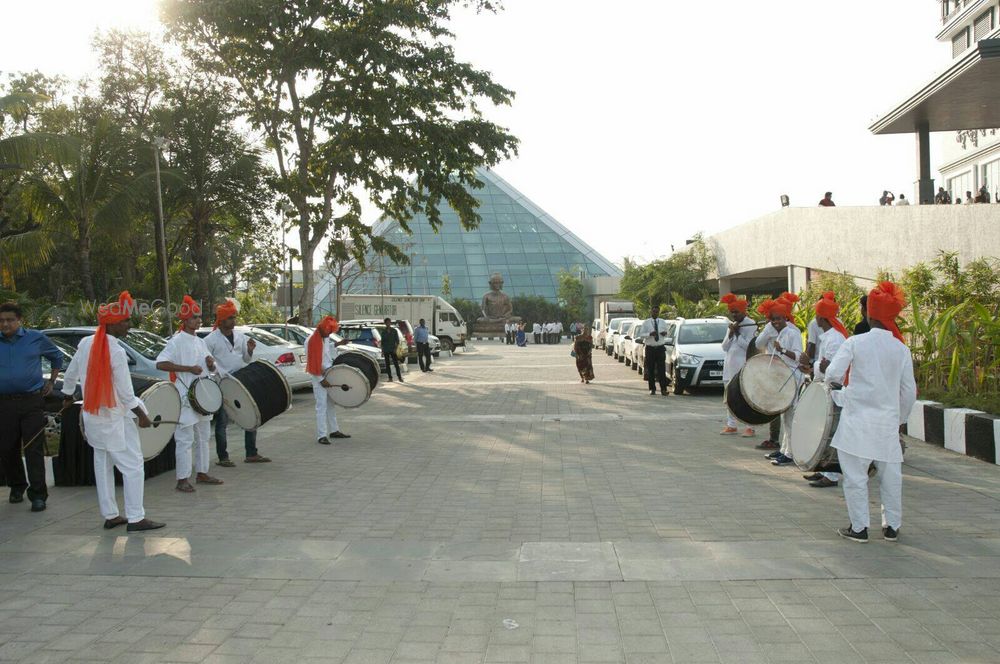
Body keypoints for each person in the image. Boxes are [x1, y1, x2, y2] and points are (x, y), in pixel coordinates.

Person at [60, 292, 164, 531]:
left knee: (103, 464)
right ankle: (136, 518)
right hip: (115, 418)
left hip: (93, 416)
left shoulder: (86, 343)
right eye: (125, 321)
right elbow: (127, 395)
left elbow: (71, 373)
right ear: (112, 324)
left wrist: (67, 396)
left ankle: (111, 515)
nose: (128, 325)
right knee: (133, 466)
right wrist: (143, 416)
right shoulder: (115, 351)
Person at [826, 282, 916, 543]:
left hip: (856, 423)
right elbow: (908, 391)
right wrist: (900, 419)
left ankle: (859, 528)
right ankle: (892, 527)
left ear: (870, 314)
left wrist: (835, 387)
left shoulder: (855, 343)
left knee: (855, 478)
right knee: (891, 477)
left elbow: (832, 373)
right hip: (886, 424)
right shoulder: (901, 349)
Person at [155, 295, 224, 493]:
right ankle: (182, 479)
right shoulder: (176, 341)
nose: (198, 320)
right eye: (194, 317)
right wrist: (186, 368)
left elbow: (210, 366)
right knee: (185, 439)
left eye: (199, 317)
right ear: (184, 320)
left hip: (202, 395)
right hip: (185, 396)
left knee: (203, 436)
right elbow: (160, 363)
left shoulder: (199, 342)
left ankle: (202, 472)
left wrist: (211, 364)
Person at [0, 301, 64, 512]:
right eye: (1, 321)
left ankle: (38, 495)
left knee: (33, 447)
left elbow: (57, 357)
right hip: (4, 403)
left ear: (20, 320)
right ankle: (17, 486)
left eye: (10, 320)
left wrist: (52, 381)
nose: (5, 324)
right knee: (8, 447)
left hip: (31, 401)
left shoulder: (35, 338)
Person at [205, 298, 269, 466]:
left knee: (250, 414)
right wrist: (216, 370)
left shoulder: (240, 336)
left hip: (241, 381)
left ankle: (251, 453)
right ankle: (223, 457)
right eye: (231, 318)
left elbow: (246, 360)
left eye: (234, 317)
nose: (234, 321)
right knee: (222, 422)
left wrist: (249, 350)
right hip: (222, 384)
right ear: (221, 320)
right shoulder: (210, 340)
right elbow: (208, 364)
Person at [800, 292, 850, 488]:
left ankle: (831, 475)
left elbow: (833, 369)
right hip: (824, 387)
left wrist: (815, 365)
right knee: (822, 431)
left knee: (832, 433)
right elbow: (823, 365)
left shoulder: (835, 339)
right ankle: (823, 470)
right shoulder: (828, 336)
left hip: (833, 391)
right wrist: (814, 366)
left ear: (821, 318)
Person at [753, 294, 804, 463]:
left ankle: (790, 454)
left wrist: (781, 350)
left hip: (791, 377)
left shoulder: (792, 332)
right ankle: (784, 450)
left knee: (790, 418)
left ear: (785, 317)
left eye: (778, 319)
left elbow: (798, 356)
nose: (775, 322)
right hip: (781, 377)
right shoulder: (781, 332)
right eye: (772, 319)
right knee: (784, 416)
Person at [306, 316, 351, 445]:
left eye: (331, 332)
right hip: (318, 377)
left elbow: (326, 351)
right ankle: (321, 435)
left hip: (329, 374)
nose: (330, 334)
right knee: (321, 406)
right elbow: (312, 363)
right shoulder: (311, 341)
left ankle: (334, 430)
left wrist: (338, 343)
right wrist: (321, 379)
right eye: (328, 332)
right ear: (322, 328)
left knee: (330, 404)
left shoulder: (324, 337)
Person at [719, 294, 755, 437]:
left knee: (746, 398)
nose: (734, 315)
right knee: (730, 399)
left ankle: (750, 427)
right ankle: (731, 425)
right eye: (732, 312)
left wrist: (738, 334)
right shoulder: (732, 326)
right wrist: (731, 333)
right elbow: (724, 347)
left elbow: (749, 347)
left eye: (736, 312)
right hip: (729, 368)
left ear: (743, 312)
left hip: (742, 367)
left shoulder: (750, 324)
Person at [637, 304, 670, 396]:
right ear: (651, 312)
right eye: (654, 311)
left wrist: (665, 333)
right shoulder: (646, 323)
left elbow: (668, 332)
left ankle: (663, 389)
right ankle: (652, 389)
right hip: (650, 348)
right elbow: (641, 335)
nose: (655, 313)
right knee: (650, 369)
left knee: (661, 369)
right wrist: (649, 334)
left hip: (660, 348)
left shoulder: (663, 322)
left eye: (657, 312)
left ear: (659, 312)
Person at [379, 318, 404, 382]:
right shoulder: (383, 332)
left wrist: (395, 349)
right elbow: (382, 342)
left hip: (393, 349)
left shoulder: (394, 331)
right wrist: (382, 350)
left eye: (389, 322)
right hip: (386, 349)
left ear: (390, 323)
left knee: (396, 364)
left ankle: (399, 377)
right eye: (386, 322)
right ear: (385, 323)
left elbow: (397, 341)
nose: (388, 324)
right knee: (387, 364)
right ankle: (390, 378)